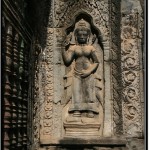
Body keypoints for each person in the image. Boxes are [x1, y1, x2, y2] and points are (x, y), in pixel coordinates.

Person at [62, 19, 101, 119]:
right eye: (80, 35)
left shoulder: (90, 48)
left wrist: (89, 71)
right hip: (76, 73)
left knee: (89, 92)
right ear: (76, 36)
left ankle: (90, 110)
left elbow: (96, 62)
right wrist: (63, 48)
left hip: (88, 73)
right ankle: (76, 111)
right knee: (77, 92)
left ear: (88, 36)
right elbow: (67, 61)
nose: (82, 37)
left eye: (84, 35)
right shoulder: (74, 48)